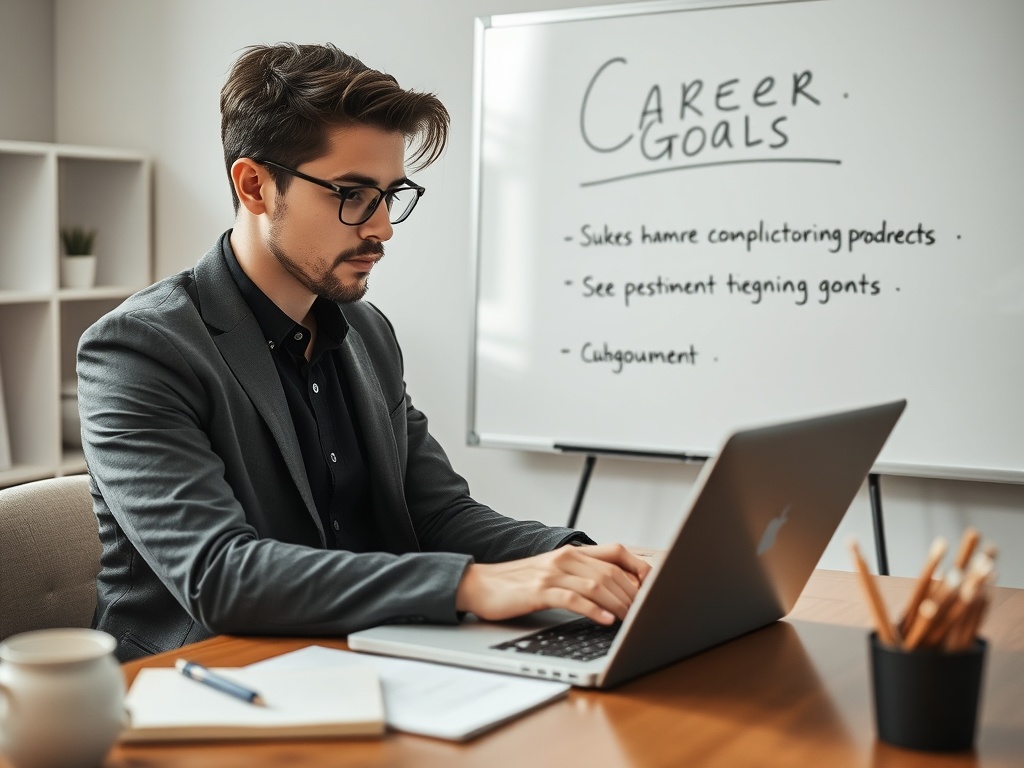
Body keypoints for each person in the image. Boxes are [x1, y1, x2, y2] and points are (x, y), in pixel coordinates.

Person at [78, 42, 650, 662]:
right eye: (352, 194)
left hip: (362, 656)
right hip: (200, 680)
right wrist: (471, 586)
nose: (382, 228)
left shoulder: (368, 332)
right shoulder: (138, 350)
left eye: (389, 194)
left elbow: (437, 515)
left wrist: (590, 562)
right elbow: (221, 575)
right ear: (255, 186)